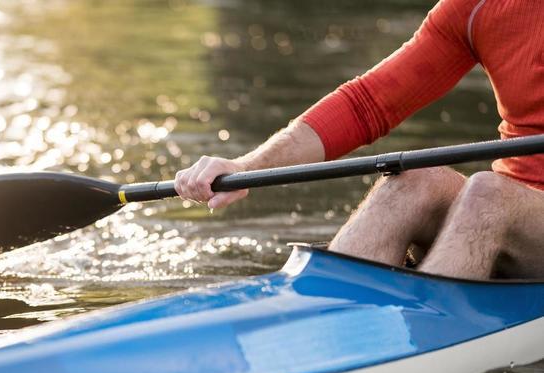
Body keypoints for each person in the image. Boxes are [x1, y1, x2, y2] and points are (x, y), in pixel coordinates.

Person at [174, 0, 544, 280]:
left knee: (488, 194)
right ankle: (324, 316)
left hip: (503, 206)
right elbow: (365, 105)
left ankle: (421, 344)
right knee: (413, 178)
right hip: (519, 213)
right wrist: (244, 166)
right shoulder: (478, 8)